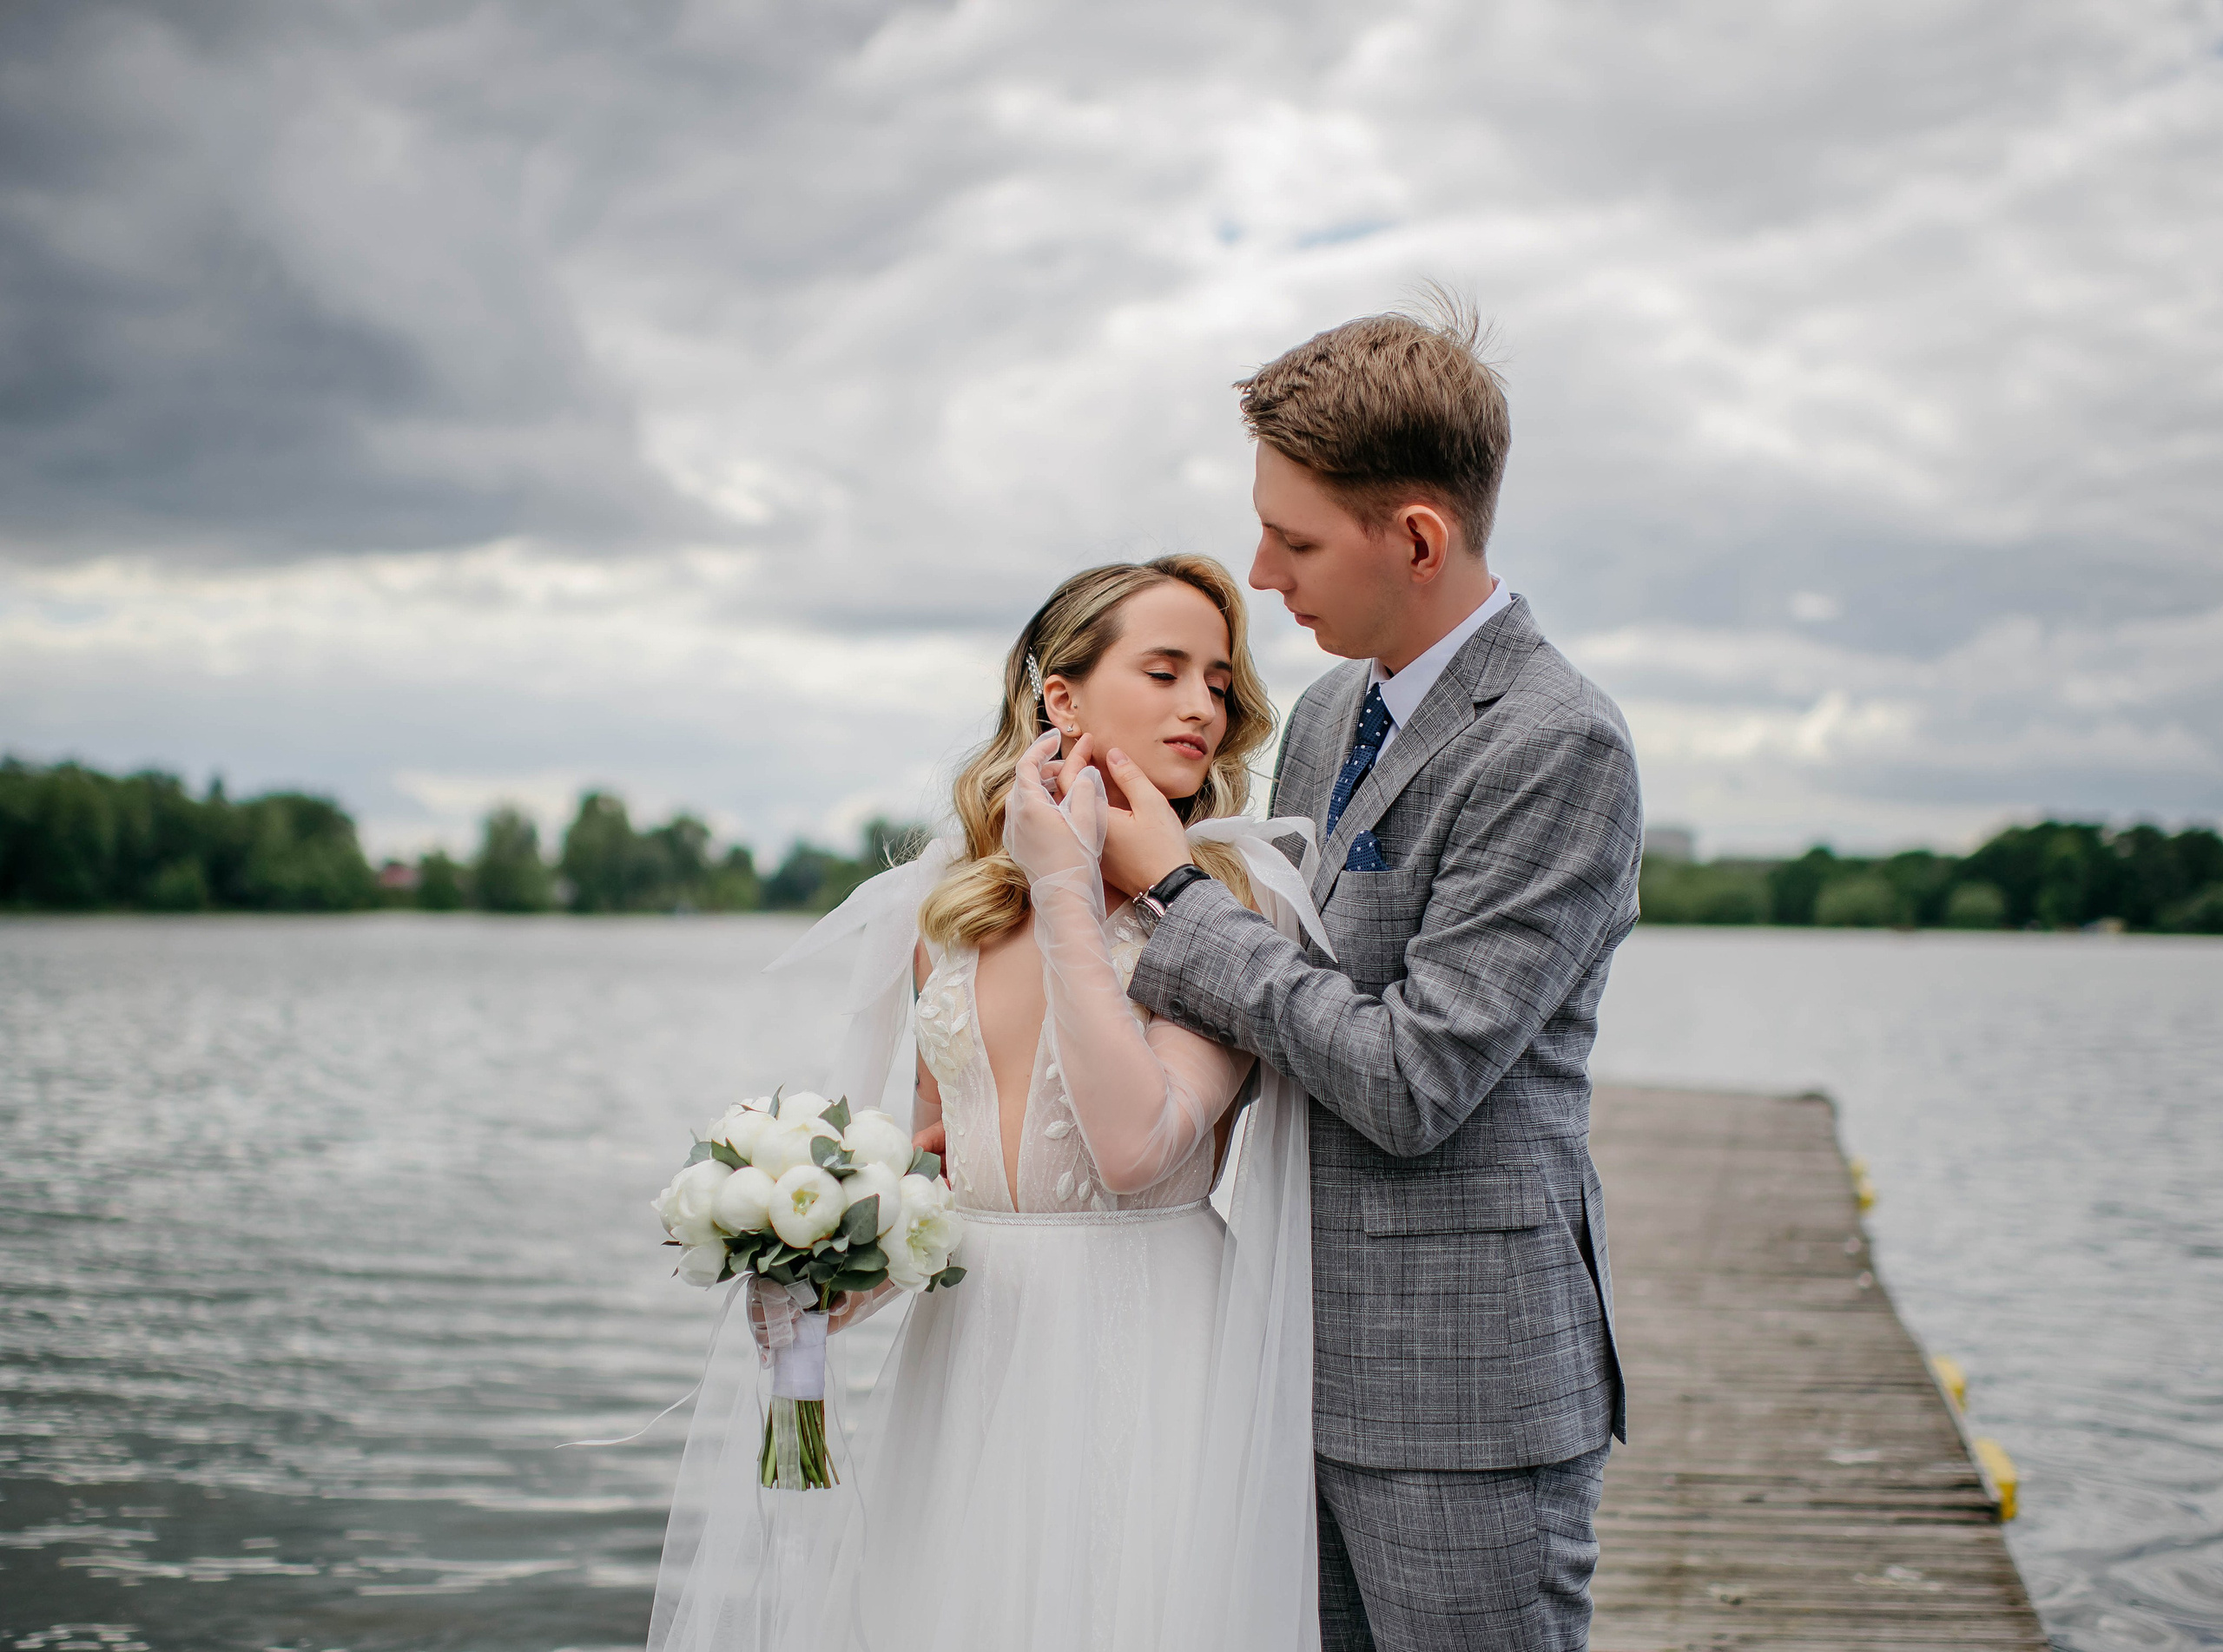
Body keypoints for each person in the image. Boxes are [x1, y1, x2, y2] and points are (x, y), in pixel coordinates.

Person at [646, 555, 1327, 1652]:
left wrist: (1071, 884)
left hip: (1146, 1331)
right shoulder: (943, 904)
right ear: (1061, 697)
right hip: (970, 1344)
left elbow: (1137, 1146)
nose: (1203, 703)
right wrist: (839, 1267)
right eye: (1164, 671)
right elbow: (946, 1160)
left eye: (1217, 678)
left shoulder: (1230, 899)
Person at [1092, 306, 1642, 1651]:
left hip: (1461, 1390)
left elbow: (1411, 1078)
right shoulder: (1337, 708)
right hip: (1278, 1349)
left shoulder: (1557, 746)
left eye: (1296, 537)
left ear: (1415, 538)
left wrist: (1169, 895)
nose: (1263, 570)